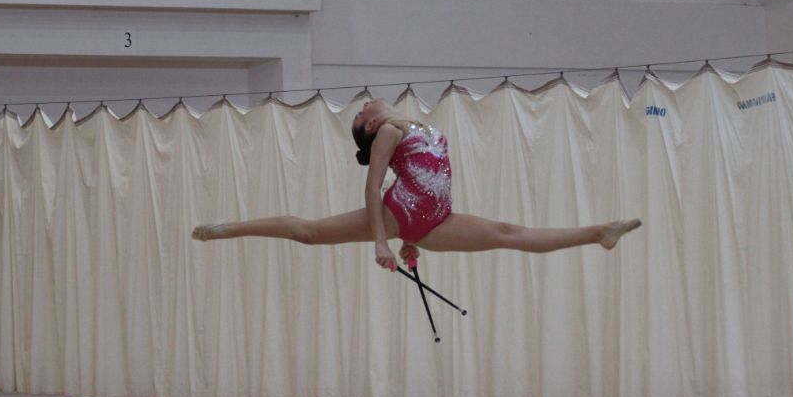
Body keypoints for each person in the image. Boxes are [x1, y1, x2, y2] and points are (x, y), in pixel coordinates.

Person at [192, 98, 640, 270]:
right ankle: (229, 228)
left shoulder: (422, 127)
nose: (364, 105)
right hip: (399, 213)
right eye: (360, 113)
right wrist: (382, 241)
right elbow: (372, 189)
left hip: (435, 222)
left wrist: (411, 241)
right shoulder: (389, 131)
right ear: (370, 126)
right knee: (309, 233)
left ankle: (598, 232)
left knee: (510, 234)